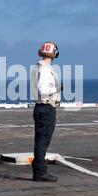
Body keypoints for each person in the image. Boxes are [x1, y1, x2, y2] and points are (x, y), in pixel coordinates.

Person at [30, 41, 61, 182]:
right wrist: (58, 88)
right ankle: (40, 172)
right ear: (54, 53)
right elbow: (43, 91)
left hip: (41, 107)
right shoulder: (45, 69)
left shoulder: (38, 67)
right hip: (46, 107)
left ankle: (38, 169)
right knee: (43, 141)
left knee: (40, 140)